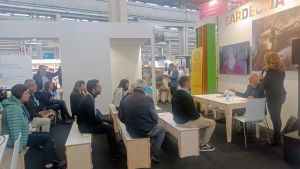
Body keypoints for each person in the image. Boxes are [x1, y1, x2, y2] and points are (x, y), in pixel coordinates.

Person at [1, 84, 66, 169]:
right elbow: (15, 131)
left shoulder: (17, 105)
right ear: (20, 94)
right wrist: (19, 150)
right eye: (26, 93)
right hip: (17, 140)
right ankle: (50, 164)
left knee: (47, 135)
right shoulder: (14, 108)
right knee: (46, 138)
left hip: (23, 136)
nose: (29, 95)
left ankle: (54, 161)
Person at [77, 79, 122, 160]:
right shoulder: (88, 100)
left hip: (88, 123)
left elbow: (93, 116)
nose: (101, 88)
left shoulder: (90, 98)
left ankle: (114, 145)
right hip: (85, 127)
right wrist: (102, 122)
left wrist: (103, 122)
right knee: (110, 128)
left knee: (110, 122)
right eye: (98, 86)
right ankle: (115, 154)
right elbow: (92, 119)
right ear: (93, 90)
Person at [123, 79, 165, 163]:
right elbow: (155, 117)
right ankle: (155, 150)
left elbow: (122, 116)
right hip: (144, 131)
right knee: (161, 129)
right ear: (145, 88)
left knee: (151, 128)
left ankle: (151, 143)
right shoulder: (148, 99)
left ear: (134, 87)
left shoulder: (125, 98)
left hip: (130, 130)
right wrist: (154, 122)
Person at [172, 76, 216, 151]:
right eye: (191, 82)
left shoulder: (175, 94)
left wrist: (198, 115)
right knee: (212, 123)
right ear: (187, 84)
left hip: (177, 121)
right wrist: (199, 115)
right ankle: (203, 145)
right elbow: (194, 116)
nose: (191, 84)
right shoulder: (188, 97)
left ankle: (198, 141)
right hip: (186, 122)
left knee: (201, 118)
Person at [258, 52, 287, 146]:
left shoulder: (270, 71)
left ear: (269, 60)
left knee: (275, 119)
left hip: (273, 97)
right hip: (281, 96)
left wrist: (261, 79)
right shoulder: (281, 70)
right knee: (277, 118)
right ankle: (277, 137)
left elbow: (267, 85)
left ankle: (276, 139)